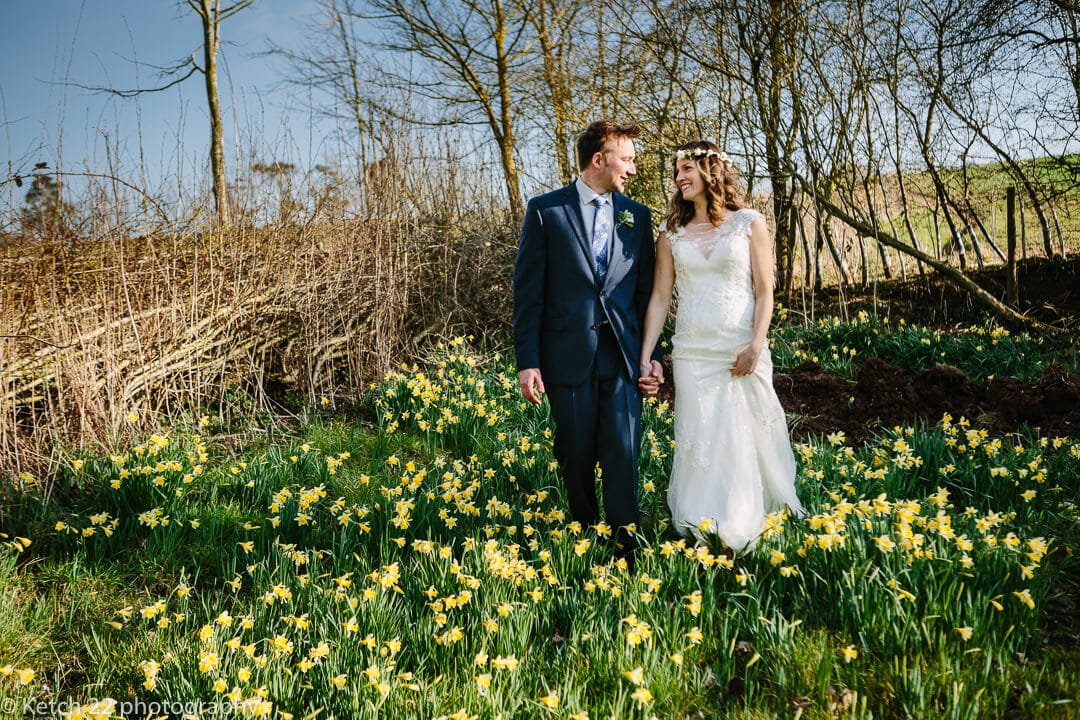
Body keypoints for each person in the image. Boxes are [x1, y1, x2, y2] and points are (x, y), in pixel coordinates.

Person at [638, 139, 803, 553]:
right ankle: (702, 520)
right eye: (676, 172)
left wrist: (756, 344)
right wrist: (647, 354)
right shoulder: (670, 233)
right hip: (693, 351)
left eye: (686, 169)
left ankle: (744, 518)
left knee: (744, 435)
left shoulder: (749, 223)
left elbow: (765, 291)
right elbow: (660, 296)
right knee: (703, 436)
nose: (679, 178)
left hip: (739, 348)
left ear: (712, 170)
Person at [513, 120, 660, 566]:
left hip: (622, 358)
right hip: (567, 359)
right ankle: (584, 537)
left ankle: (626, 549)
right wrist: (528, 360)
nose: (632, 169)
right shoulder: (545, 211)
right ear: (600, 159)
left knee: (623, 452)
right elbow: (528, 293)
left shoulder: (638, 217)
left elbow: (646, 295)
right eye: (627, 159)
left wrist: (653, 359)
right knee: (574, 454)